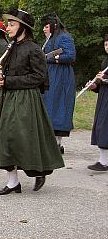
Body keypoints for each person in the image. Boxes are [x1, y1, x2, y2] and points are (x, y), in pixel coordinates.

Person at [0, 9, 64, 194]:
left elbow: (39, 77)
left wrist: (9, 81)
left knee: (25, 139)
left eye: (12, 25)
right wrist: (0, 78)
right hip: (8, 98)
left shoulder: (34, 49)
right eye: (9, 24)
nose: (8, 27)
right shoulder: (11, 46)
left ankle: (39, 171)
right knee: (4, 138)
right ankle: (13, 182)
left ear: (23, 28)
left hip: (26, 99)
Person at [41, 14, 76, 153]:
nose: (44, 29)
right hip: (51, 75)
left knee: (57, 106)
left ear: (53, 26)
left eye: (46, 26)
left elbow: (71, 55)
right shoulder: (49, 39)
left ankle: (57, 143)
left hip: (61, 77)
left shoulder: (64, 37)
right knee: (49, 106)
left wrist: (53, 58)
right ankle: (53, 143)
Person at [87, 34, 108, 172]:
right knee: (101, 126)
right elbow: (103, 85)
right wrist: (95, 86)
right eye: (106, 44)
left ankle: (104, 162)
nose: (107, 47)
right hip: (104, 98)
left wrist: (106, 80)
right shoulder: (105, 61)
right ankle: (103, 160)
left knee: (105, 127)